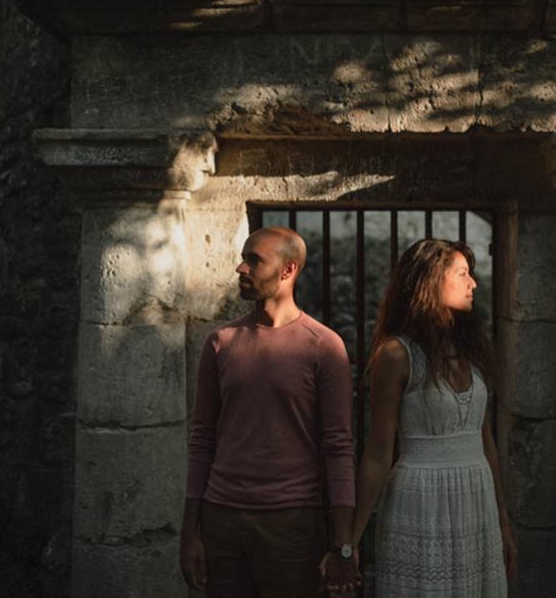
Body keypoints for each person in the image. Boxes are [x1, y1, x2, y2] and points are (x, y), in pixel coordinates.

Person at [180, 226, 361, 598]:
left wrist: (343, 546)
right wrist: (191, 534)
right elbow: (201, 442)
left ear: (287, 270)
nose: (240, 269)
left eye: (253, 260)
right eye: (243, 258)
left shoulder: (325, 347)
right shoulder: (220, 343)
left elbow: (339, 448)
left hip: (292, 523)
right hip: (222, 519)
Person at [348, 239, 517, 597]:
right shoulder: (396, 354)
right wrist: (349, 544)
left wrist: (502, 520)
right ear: (431, 281)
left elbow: (484, 440)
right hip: (421, 502)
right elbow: (378, 453)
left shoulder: (469, 350)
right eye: (463, 274)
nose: (473, 283)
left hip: (477, 499)